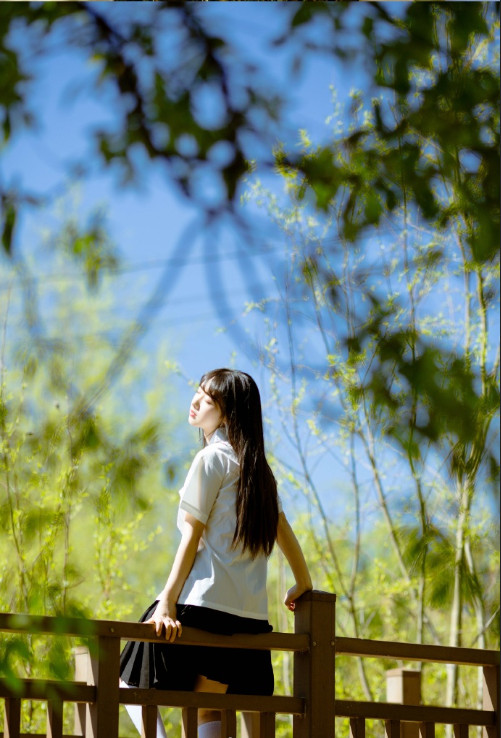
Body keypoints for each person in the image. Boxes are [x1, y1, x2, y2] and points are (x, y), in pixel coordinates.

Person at [119, 368, 312, 738]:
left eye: (207, 400)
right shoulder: (260, 472)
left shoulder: (212, 459)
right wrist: (303, 583)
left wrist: (167, 603)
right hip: (249, 622)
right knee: (210, 706)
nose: (195, 402)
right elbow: (284, 533)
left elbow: (190, 537)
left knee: (126, 679)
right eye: (197, 393)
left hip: (204, 609)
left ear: (228, 414)